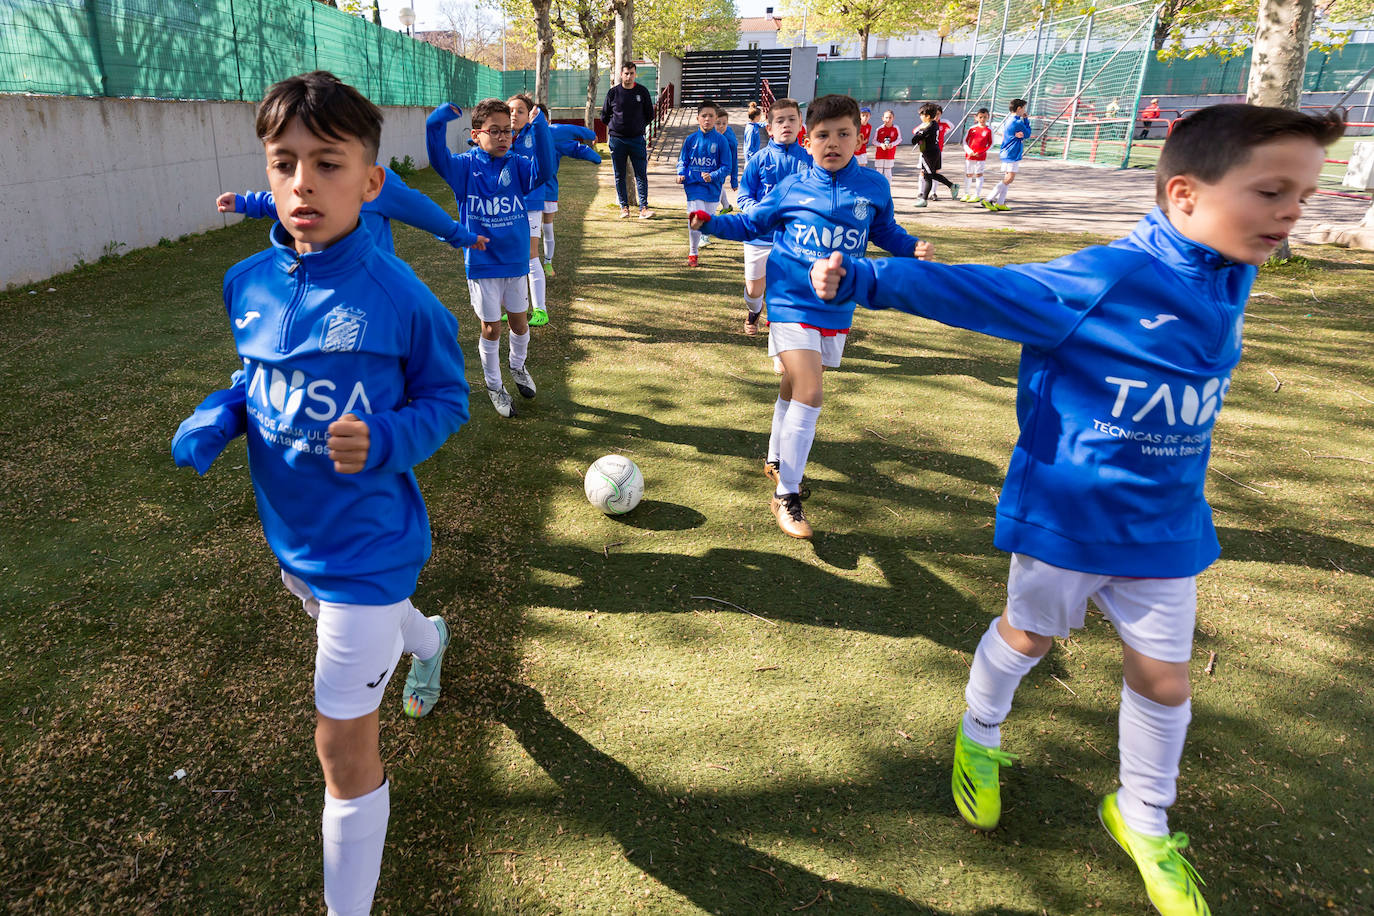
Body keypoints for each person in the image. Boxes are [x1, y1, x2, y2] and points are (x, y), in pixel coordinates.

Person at [810, 103, 1345, 916]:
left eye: (1303, 194)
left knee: (1165, 681)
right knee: (1028, 637)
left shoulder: (1231, 270)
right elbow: (991, 293)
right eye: (1272, 191)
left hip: (1166, 528)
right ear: (1185, 195)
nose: (1292, 211)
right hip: (1069, 520)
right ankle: (980, 738)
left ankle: (1143, 816)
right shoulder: (1111, 280)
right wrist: (868, 277)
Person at [171, 70, 474, 916]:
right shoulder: (248, 282)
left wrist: (384, 439)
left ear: (371, 182)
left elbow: (445, 402)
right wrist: (220, 412)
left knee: (341, 744)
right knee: (346, 623)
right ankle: (428, 637)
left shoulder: (400, 298)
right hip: (292, 537)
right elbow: (253, 376)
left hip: (369, 546)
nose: (304, 182)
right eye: (285, 162)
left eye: (328, 163)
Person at [690, 94, 930, 539]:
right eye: (823, 135)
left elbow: (885, 232)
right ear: (808, 138)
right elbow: (751, 222)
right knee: (811, 388)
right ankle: (787, 492)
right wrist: (710, 221)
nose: (833, 143)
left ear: (860, 137)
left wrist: (911, 246)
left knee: (792, 384)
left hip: (839, 303)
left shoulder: (873, 187)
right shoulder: (793, 186)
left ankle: (775, 455)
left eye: (843, 134)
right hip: (789, 301)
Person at [427, 96, 553, 418]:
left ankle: (517, 366)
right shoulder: (464, 167)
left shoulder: (516, 164)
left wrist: (539, 129)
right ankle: (495, 384)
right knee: (491, 329)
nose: (502, 137)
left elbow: (544, 171)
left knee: (520, 324)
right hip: (482, 264)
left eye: (507, 132)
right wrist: (435, 123)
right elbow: (438, 158)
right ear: (475, 134)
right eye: (494, 131)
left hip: (515, 261)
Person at [215, 163, 481, 256]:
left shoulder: (372, 178)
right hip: (320, 284)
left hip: (372, 289)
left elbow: (422, 211)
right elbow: (286, 202)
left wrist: (462, 236)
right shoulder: (308, 177)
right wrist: (246, 203)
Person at [734, 97, 811, 336]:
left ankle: (781, 327)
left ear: (800, 124)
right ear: (769, 128)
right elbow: (744, 197)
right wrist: (759, 213)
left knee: (788, 288)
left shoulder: (810, 160)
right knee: (754, 290)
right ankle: (754, 312)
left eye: (791, 119)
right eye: (779, 121)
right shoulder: (758, 160)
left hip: (795, 240)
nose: (785, 125)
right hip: (759, 237)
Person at [542, 104, 602, 278]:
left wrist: (594, 154)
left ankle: (547, 262)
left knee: (547, 227)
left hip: (548, 191)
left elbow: (575, 144)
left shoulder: (553, 133)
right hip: (527, 193)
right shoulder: (522, 136)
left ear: (547, 120)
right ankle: (528, 262)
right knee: (528, 229)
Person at [508, 93, 551, 327]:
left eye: (520, 110)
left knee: (531, 255)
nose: (514, 114)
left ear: (529, 115)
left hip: (531, 203)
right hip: (508, 205)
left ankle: (541, 310)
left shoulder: (535, 134)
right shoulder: (504, 136)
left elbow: (544, 166)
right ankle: (517, 308)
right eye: (511, 110)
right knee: (514, 255)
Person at [676, 99, 731, 267]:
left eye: (711, 116)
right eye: (704, 116)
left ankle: (699, 244)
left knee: (706, 222)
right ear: (698, 118)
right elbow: (682, 161)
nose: (707, 119)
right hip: (693, 185)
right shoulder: (691, 140)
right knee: (696, 215)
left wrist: (713, 176)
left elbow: (726, 166)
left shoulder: (721, 141)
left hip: (712, 189)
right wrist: (680, 173)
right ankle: (693, 252)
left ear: (715, 118)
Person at [600, 61, 656, 219]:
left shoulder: (642, 91)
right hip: (617, 141)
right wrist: (616, 126)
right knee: (620, 175)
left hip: (637, 139)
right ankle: (624, 208)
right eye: (626, 73)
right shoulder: (613, 93)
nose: (629, 76)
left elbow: (649, 115)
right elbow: (604, 116)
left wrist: (637, 126)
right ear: (621, 74)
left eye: (632, 73)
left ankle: (643, 208)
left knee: (641, 174)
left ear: (635, 74)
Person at [983, 98, 1030, 212]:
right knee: (1009, 178)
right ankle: (988, 199)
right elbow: (1028, 133)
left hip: (1007, 151)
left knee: (1007, 178)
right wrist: (1026, 120)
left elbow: (1022, 134)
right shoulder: (1017, 121)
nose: (1024, 110)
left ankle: (1000, 202)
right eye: (1023, 108)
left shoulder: (1010, 119)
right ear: (1019, 108)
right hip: (1012, 153)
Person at [911, 102, 958, 208]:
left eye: (921, 115)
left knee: (927, 176)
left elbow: (915, 139)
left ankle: (924, 199)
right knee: (932, 174)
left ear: (927, 116)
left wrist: (919, 134)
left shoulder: (930, 125)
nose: (920, 117)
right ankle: (952, 186)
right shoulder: (933, 124)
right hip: (934, 151)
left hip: (929, 153)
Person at [959, 107, 994, 202]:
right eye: (981, 117)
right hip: (970, 156)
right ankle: (966, 194)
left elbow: (991, 144)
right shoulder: (972, 129)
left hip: (981, 157)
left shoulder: (989, 130)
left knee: (978, 174)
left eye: (985, 117)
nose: (983, 119)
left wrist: (981, 152)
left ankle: (977, 195)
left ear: (988, 117)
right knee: (968, 174)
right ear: (976, 118)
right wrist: (969, 151)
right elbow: (965, 141)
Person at [715, 106, 741, 214]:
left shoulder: (730, 141)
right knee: (717, 185)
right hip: (710, 166)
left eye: (724, 124)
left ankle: (710, 213)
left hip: (723, 168)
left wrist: (734, 181)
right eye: (718, 123)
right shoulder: (710, 134)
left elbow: (734, 160)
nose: (721, 126)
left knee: (716, 185)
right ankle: (726, 205)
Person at [872, 109, 901, 182]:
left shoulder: (896, 128)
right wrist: (880, 145)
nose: (888, 119)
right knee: (879, 171)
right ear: (883, 118)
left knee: (888, 172)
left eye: (890, 117)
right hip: (880, 154)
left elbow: (899, 139)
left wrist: (892, 144)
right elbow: (874, 141)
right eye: (886, 117)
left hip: (890, 154)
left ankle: (887, 189)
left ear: (893, 118)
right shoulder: (879, 129)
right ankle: (878, 189)